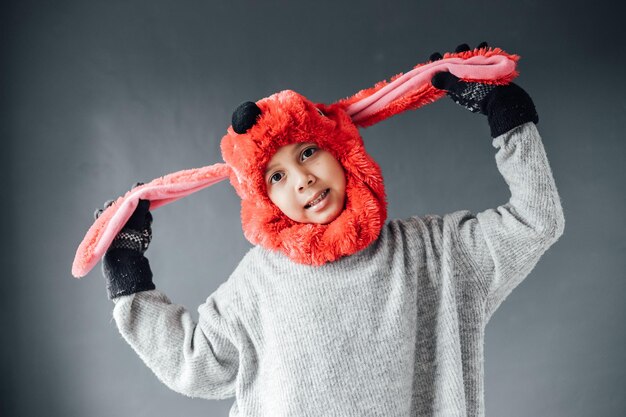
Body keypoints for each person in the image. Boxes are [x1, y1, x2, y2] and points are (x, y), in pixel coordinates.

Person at [95, 43, 565, 416]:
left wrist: (509, 119)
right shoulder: (259, 283)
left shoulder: (433, 253)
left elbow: (535, 219)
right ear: (265, 200)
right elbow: (194, 363)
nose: (303, 179)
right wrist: (129, 275)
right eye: (276, 176)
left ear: (340, 150)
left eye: (306, 153)